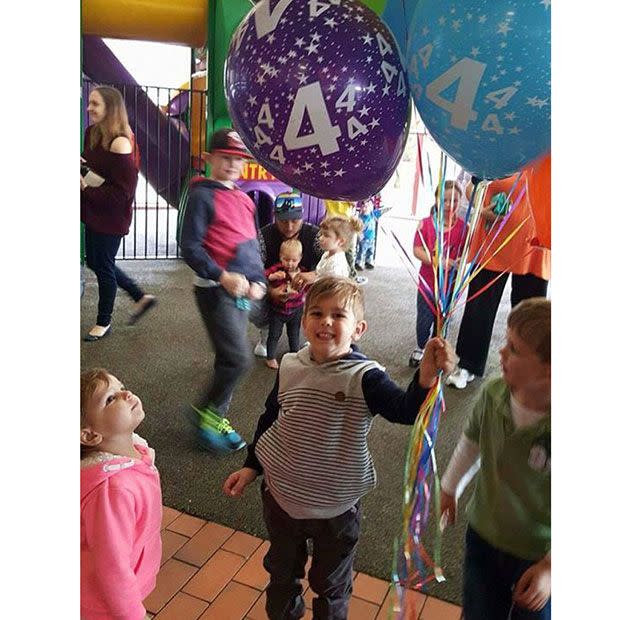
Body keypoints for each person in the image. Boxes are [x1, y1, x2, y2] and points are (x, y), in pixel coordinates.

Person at [223, 277, 456, 620]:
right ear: (303, 322)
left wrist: (425, 379)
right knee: (282, 576)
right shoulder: (290, 365)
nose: (326, 321)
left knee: (330, 585)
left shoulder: (365, 376)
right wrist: (251, 466)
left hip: (337, 506)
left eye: (339, 315)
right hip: (283, 497)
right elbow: (271, 417)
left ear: (358, 329)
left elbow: (405, 410)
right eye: (316, 313)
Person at [439, 298, 551, 619]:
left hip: (537, 553)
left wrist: (550, 567)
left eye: (513, 349)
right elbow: (471, 443)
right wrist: (450, 487)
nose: (501, 352)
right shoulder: (492, 394)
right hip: (484, 534)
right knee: (479, 610)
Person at [179, 127, 267, 453]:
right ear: (209, 159)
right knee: (238, 360)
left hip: (243, 292)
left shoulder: (244, 200)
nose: (232, 164)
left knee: (228, 359)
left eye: (238, 159)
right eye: (225, 157)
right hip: (215, 291)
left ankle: (215, 419)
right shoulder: (201, 195)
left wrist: (260, 281)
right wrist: (222, 276)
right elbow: (190, 247)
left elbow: (253, 245)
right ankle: (206, 412)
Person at [446, 172, 550, 389]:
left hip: (535, 243)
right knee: (479, 307)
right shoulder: (494, 141)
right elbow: (470, 184)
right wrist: (479, 207)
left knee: (530, 314)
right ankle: (467, 363)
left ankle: (528, 369)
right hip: (492, 237)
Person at [81, 368, 162, 620]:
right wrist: (132, 616)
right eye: (110, 399)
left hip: (124, 590)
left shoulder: (136, 450)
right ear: (90, 435)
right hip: (104, 606)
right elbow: (111, 567)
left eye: (121, 387)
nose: (126, 394)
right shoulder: (113, 490)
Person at [81, 86, 157, 342]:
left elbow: (121, 194)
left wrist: (83, 187)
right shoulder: (91, 133)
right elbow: (95, 164)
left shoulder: (121, 142)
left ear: (111, 108)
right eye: (90, 103)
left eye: (95, 104)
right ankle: (140, 296)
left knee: (102, 266)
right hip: (93, 208)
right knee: (98, 262)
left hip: (112, 216)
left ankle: (104, 321)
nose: (89, 108)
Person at [253, 192, 322, 358]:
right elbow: (252, 271)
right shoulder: (262, 235)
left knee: (334, 288)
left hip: (309, 292)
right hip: (272, 288)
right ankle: (266, 328)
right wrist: (270, 290)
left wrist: (316, 275)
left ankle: (314, 334)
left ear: (302, 216)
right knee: (247, 296)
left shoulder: (317, 236)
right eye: (283, 221)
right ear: (274, 216)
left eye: (295, 220)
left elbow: (341, 266)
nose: (290, 227)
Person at [409, 181, 468, 367]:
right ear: (437, 200)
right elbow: (417, 249)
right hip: (427, 283)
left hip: (450, 285)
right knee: (424, 318)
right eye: (445, 200)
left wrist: (460, 261)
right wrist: (439, 262)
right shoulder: (425, 224)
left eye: (455, 200)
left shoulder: (463, 227)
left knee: (443, 319)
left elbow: (466, 252)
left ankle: (438, 346)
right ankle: (421, 347)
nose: (450, 205)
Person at [264, 239, 308, 370]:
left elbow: (308, 288)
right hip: (277, 310)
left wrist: (300, 283)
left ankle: (295, 354)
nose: (289, 263)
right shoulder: (276, 269)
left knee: (294, 333)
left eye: (294, 260)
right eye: (286, 259)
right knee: (274, 334)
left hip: (296, 310)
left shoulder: (302, 272)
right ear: (280, 257)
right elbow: (263, 275)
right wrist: (272, 277)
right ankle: (270, 357)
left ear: (300, 258)